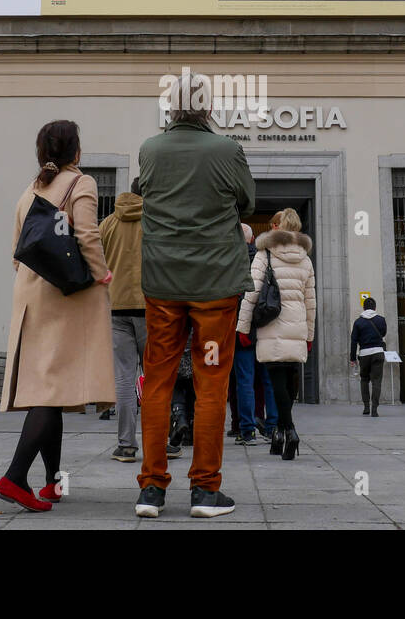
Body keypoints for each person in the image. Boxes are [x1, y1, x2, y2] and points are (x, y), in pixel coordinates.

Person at [135, 70, 255, 519]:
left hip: (163, 284)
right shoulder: (227, 150)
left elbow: (141, 191)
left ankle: (151, 488)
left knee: (159, 380)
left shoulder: (150, 149)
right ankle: (205, 490)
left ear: (171, 107)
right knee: (210, 383)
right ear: (208, 108)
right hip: (214, 287)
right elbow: (246, 201)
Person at [0, 120, 115, 512]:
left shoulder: (31, 189)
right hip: (64, 296)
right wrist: (102, 273)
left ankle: (51, 483)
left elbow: (17, 252)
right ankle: (15, 477)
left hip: (30, 294)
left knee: (50, 386)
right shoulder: (81, 183)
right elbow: (86, 234)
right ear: (76, 152)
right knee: (51, 389)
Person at [236, 208, 315, 461]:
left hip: (272, 324)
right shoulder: (305, 258)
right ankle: (279, 432)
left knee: (275, 378)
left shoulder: (264, 253)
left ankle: (289, 430)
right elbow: (311, 301)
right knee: (289, 379)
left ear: (277, 228)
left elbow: (251, 293)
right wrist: (310, 335)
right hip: (297, 324)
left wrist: (243, 327)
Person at [100, 177, 146, 462]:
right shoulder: (155, 221)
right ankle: (161, 441)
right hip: (151, 307)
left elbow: (92, 258)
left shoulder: (107, 223)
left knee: (124, 377)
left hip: (116, 307)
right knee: (156, 378)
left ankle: (126, 445)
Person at [232, 222, 278, 445]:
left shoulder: (232, 259)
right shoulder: (266, 258)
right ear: (251, 240)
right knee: (269, 380)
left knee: (244, 380)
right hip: (265, 325)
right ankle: (272, 427)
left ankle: (247, 429)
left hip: (243, 328)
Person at [349, 296, 388, 417]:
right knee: (377, 381)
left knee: (364, 380)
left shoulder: (358, 322)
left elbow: (353, 341)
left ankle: (366, 407)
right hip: (378, 352)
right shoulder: (381, 320)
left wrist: (352, 358)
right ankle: (374, 409)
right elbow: (383, 333)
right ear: (375, 307)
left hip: (364, 354)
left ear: (363, 307)